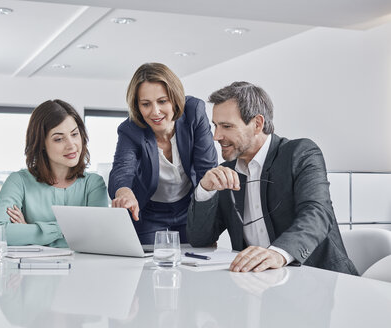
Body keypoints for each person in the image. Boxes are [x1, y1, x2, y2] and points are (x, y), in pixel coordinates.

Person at [186, 81, 358, 274]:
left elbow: (317, 213)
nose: (216, 136)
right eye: (215, 126)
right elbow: (199, 240)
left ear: (257, 124)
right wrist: (205, 190)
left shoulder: (300, 153)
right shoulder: (226, 172)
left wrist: (278, 253)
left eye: (226, 126)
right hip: (260, 286)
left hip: (322, 282)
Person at [108, 63, 217, 244]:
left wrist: (207, 220)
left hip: (189, 207)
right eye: (145, 104)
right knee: (150, 266)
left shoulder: (194, 112)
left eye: (162, 101)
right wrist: (124, 193)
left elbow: (206, 169)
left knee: (197, 259)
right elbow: (122, 169)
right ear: (137, 106)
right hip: (150, 212)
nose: (155, 111)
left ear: (174, 98)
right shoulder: (130, 129)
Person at [0, 99, 108, 247]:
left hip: (81, 269)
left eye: (74, 134)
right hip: (27, 270)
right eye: (59, 139)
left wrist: (29, 232)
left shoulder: (94, 184)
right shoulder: (18, 182)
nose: (71, 145)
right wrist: (68, 229)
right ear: (41, 143)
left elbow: (98, 239)